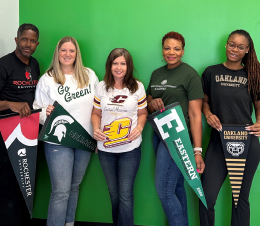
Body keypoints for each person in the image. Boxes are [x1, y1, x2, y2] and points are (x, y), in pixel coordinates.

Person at [199, 29, 260, 226]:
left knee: (240, 201)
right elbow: (204, 101)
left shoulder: (253, 74)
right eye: (231, 44)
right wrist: (208, 115)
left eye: (240, 46)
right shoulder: (211, 72)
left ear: (247, 50)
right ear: (226, 45)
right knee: (206, 198)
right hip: (218, 142)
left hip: (247, 143)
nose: (234, 49)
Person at [33, 36, 99, 226]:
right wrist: (45, 112)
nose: (67, 54)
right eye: (64, 50)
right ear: (57, 53)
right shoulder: (48, 79)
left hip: (84, 140)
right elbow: (37, 110)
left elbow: (98, 107)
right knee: (60, 191)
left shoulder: (89, 75)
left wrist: (97, 136)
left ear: (77, 53)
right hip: (57, 141)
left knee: (74, 186)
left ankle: (68, 225)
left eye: (71, 51)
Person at [0, 23, 40, 226]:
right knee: (8, 191)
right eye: (24, 39)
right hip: (4, 138)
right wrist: (10, 104)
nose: (28, 44)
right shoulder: (2, 66)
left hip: (28, 136)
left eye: (33, 41)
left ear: (37, 44)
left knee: (26, 187)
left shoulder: (34, 65)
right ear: (17, 40)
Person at [146, 31, 205, 226]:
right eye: (167, 48)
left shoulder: (190, 75)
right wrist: (152, 101)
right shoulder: (157, 73)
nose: (171, 52)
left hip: (178, 138)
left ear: (183, 51)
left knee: (164, 190)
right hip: (158, 136)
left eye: (176, 49)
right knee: (177, 187)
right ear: (162, 50)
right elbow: (148, 99)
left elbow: (196, 115)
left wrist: (197, 151)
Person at [91, 48, 147, 226]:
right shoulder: (101, 86)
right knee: (113, 194)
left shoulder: (138, 87)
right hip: (106, 148)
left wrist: (139, 126)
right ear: (110, 65)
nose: (119, 67)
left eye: (122, 63)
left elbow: (143, 112)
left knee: (125, 195)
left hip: (130, 149)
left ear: (128, 66)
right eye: (115, 63)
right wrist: (95, 128)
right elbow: (95, 113)